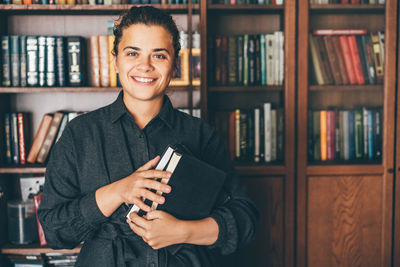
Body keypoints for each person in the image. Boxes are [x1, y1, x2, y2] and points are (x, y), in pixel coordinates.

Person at [38, 6, 258, 267]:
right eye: (132, 53)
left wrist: (184, 231)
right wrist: (117, 192)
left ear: (175, 64)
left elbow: (245, 219)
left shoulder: (201, 135)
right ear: (116, 60)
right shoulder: (79, 134)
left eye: (159, 55)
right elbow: (54, 231)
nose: (145, 66)